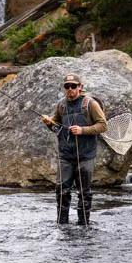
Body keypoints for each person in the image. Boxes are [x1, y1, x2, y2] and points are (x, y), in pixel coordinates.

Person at [41, 74, 107, 225]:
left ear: (80, 87)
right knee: (62, 189)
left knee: (84, 192)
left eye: (73, 86)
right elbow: (56, 126)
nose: (70, 89)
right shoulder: (61, 105)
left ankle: (84, 225)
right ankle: (62, 224)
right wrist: (48, 122)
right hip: (65, 155)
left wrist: (82, 130)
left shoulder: (90, 104)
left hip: (85, 155)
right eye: (67, 86)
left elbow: (103, 125)